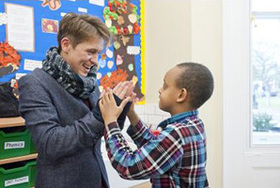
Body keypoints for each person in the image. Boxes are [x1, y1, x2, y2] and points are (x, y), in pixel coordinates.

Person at [18, 12, 133, 188]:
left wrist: (118, 110)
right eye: (90, 52)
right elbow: (50, 144)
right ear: (66, 44)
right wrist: (98, 115)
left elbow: (100, 132)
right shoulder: (35, 83)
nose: (95, 61)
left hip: (97, 179)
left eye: (98, 53)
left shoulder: (89, 82)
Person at [99, 62, 214, 188]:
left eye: (165, 86)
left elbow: (128, 166)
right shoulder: (194, 124)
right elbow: (156, 148)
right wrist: (131, 113)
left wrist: (110, 121)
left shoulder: (176, 133)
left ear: (181, 95)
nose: (159, 90)